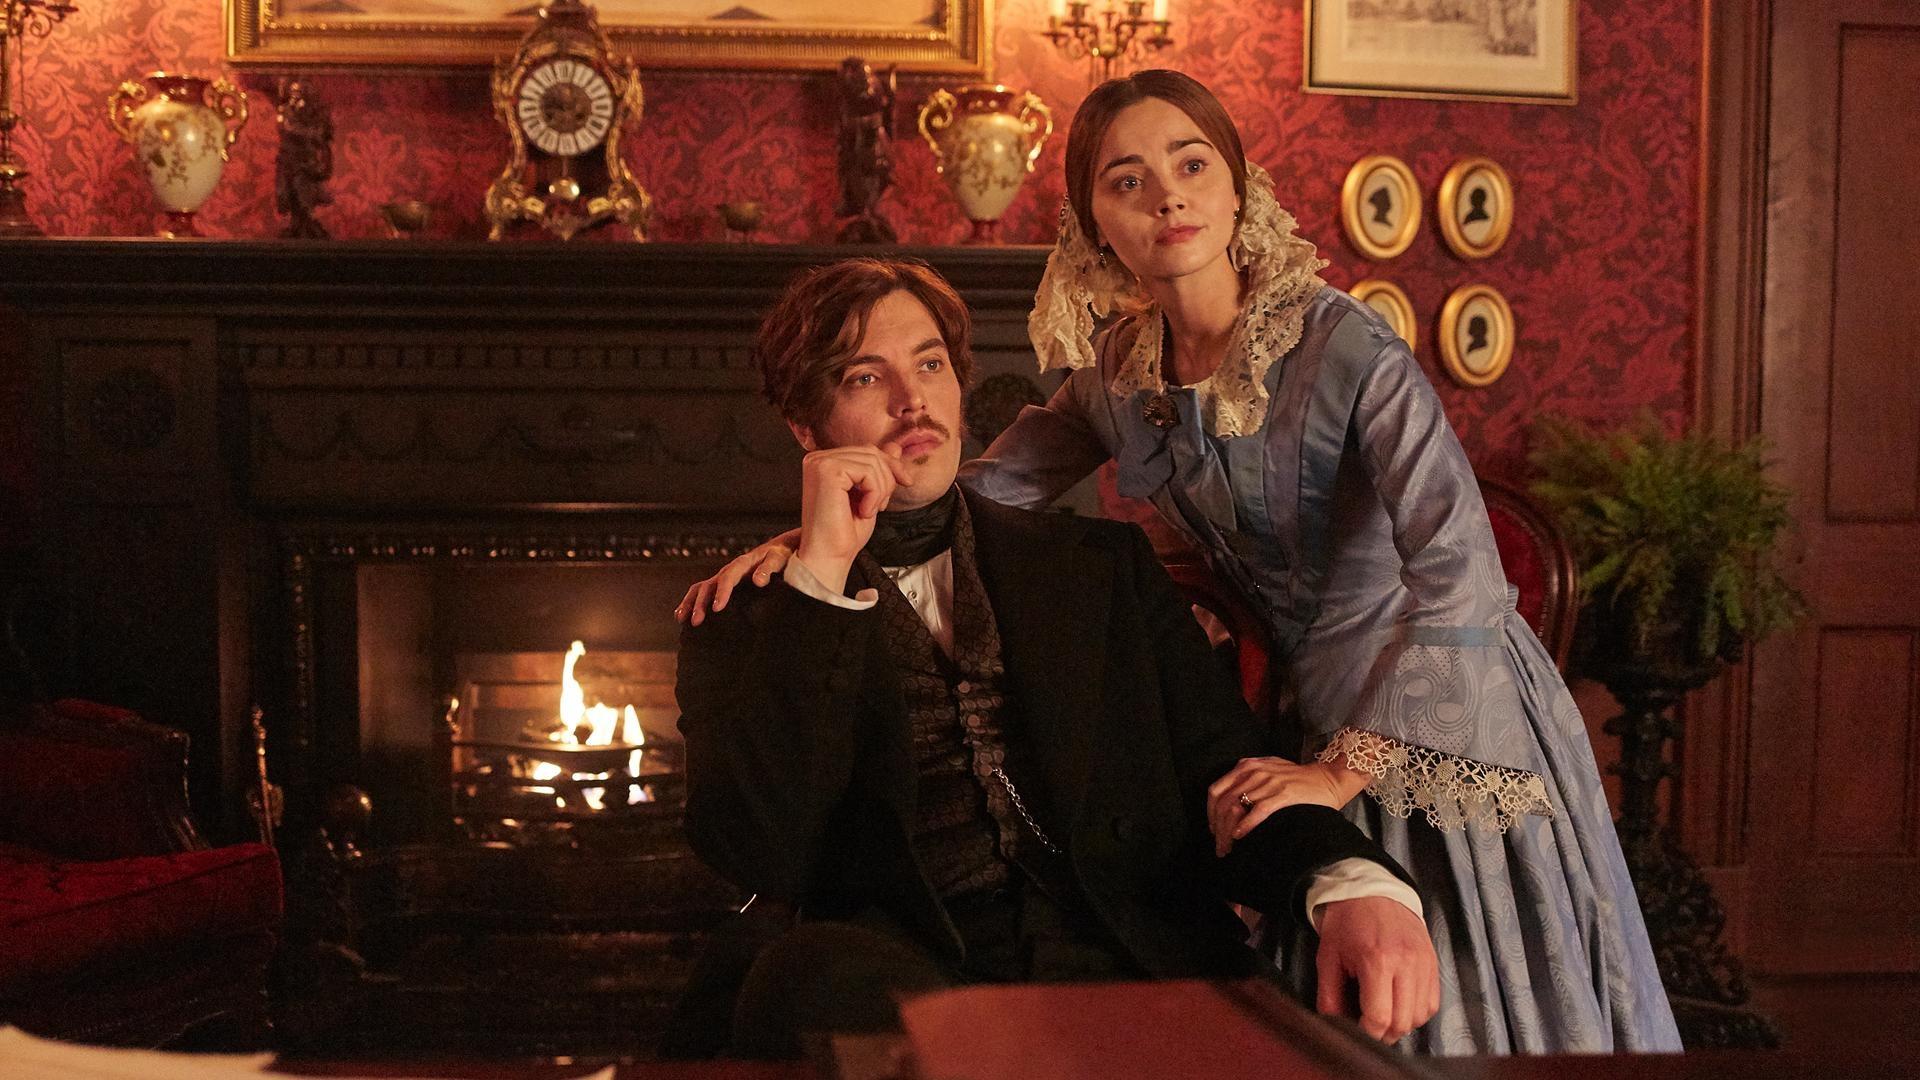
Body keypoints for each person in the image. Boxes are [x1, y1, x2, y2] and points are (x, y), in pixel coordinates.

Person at [679, 71, 1681, 1055]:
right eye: (1128, 180)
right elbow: (966, 496)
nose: (1167, 197)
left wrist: (1339, 777)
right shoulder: (1118, 375)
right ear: (1092, 227)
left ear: (1238, 185)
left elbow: (1462, 579)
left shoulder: (1347, 348)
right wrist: (812, 558)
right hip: (1294, 712)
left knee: (1471, 1003)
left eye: (1192, 164)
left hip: (1432, 692)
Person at [676, 257, 1438, 1059]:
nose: (912, 401)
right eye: (866, 378)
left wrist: (1351, 883)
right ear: (806, 428)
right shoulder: (746, 616)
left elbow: (1226, 771)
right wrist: (820, 582)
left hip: (1130, 955)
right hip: (909, 977)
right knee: (798, 978)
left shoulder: (1102, 568)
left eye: (930, 365)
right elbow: (760, 853)